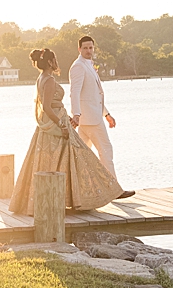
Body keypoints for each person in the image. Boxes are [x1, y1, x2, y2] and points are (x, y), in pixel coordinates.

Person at [8, 47, 129, 214]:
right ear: (50, 62)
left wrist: (67, 120)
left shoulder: (41, 78)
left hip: (54, 123)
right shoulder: (49, 80)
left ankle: (69, 197)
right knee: (80, 156)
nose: (57, 63)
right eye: (55, 60)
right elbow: (48, 108)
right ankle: (98, 193)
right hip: (56, 124)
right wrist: (62, 125)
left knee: (60, 160)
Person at [69, 34, 129, 189]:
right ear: (79, 49)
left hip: (92, 117)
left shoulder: (89, 65)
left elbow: (95, 95)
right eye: (85, 48)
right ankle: (113, 188)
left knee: (82, 155)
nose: (89, 51)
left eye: (91, 48)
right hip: (89, 119)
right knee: (105, 150)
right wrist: (76, 114)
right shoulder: (78, 66)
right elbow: (74, 92)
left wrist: (107, 114)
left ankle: (82, 190)